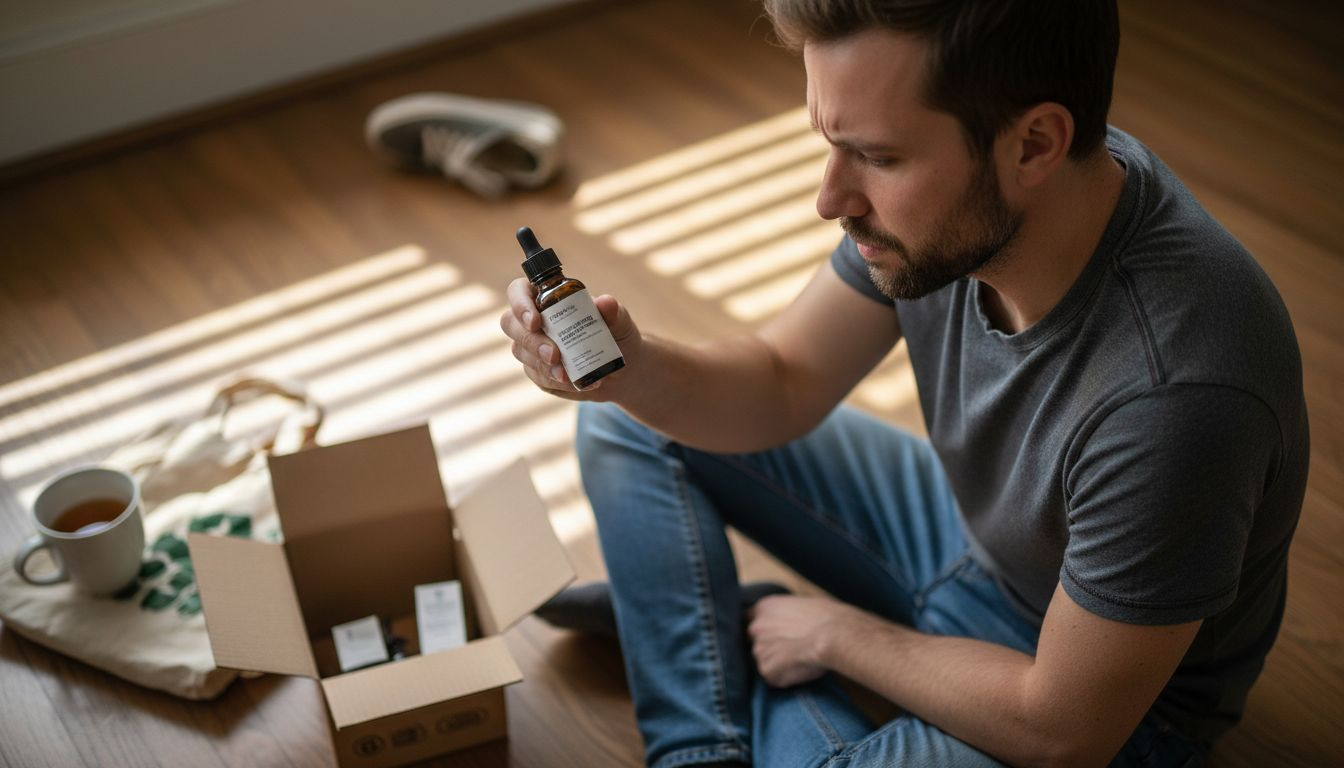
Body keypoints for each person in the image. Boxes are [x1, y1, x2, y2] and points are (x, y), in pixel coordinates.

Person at [498, 1, 1309, 766]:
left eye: (879, 157)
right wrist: (628, 367)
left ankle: (691, 629)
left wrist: (835, 636)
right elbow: (783, 379)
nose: (831, 198)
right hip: (969, 540)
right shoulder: (975, 196)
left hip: (1106, 702)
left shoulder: (1178, 395)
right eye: (833, 142)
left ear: (1034, 146)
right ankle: (701, 731)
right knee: (634, 415)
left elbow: (1066, 731)